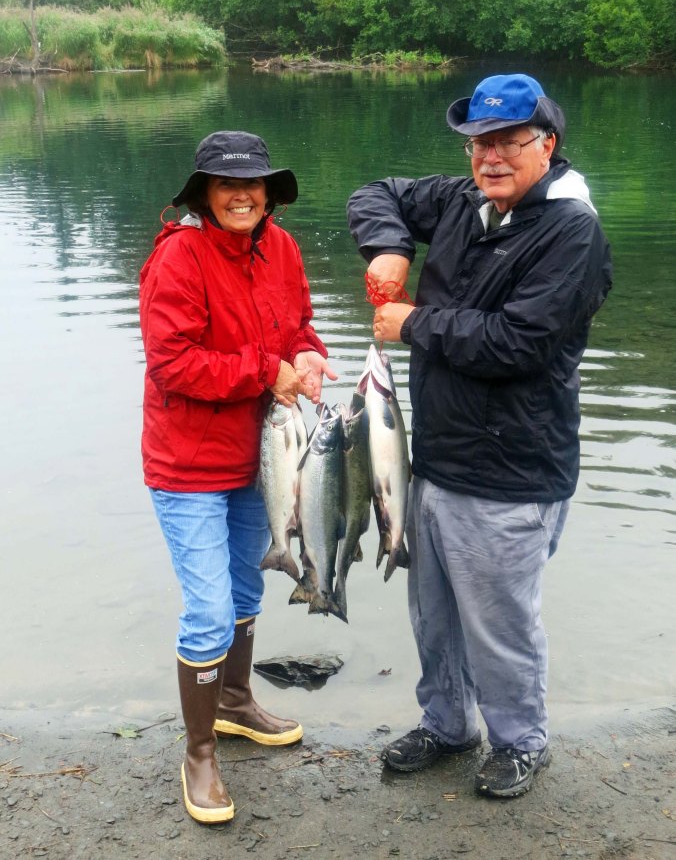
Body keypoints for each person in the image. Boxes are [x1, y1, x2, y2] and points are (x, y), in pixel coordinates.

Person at [347, 74, 612, 798]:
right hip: (436, 459)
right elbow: (377, 192)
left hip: (512, 469)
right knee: (432, 614)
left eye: (508, 142)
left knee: (498, 624)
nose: (489, 157)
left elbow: (518, 343)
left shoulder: (571, 231)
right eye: (479, 143)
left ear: (547, 145)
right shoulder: (469, 201)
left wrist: (414, 323)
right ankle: (447, 724)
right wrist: (388, 248)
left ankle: (521, 741)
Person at [139, 130, 337, 824]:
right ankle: (198, 753)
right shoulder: (179, 258)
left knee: (250, 583)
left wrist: (308, 356)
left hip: (260, 459)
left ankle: (233, 703)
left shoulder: (280, 247)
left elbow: (300, 326)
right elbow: (173, 363)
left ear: (268, 192)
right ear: (202, 192)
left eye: (253, 183)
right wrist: (264, 369)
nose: (242, 194)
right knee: (209, 610)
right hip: (188, 464)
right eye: (226, 184)